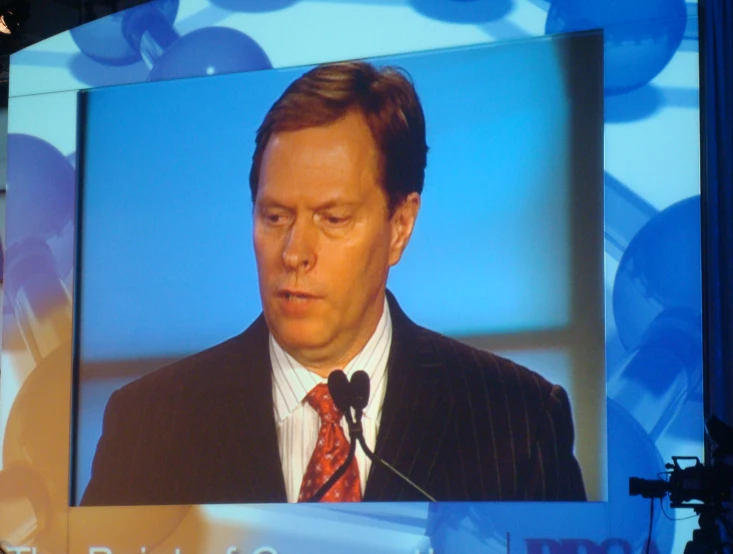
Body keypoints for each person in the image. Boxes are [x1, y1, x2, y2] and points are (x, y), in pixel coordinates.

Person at [81, 61, 586, 506]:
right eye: (275, 217)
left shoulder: (518, 422)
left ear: (400, 226)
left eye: (333, 218)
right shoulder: (148, 425)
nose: (295, 253)